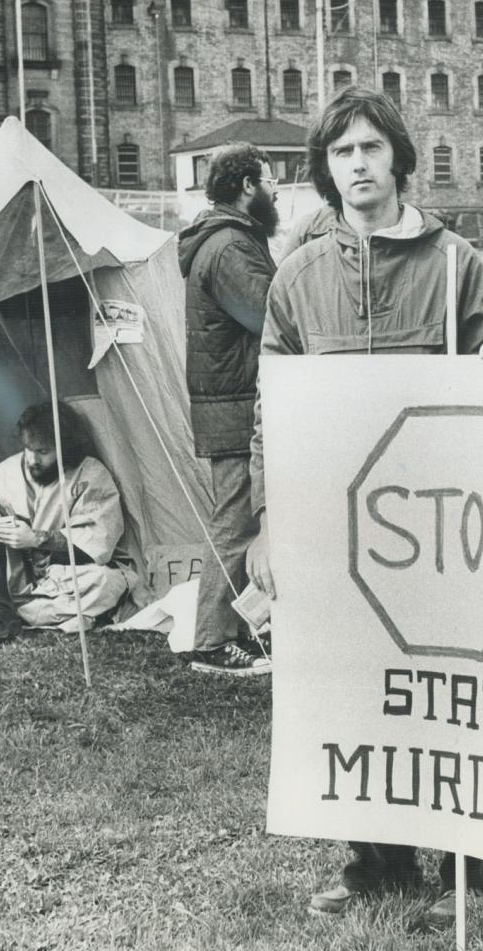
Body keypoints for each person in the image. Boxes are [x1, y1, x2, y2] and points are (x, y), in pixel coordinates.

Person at [244, 86, 483, 927]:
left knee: (451, 689)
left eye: (371, 148)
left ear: (398, 157)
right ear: (324, 171)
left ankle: (476, 876)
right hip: (340, 534)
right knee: (358, 693)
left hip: (439, 530)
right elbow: (271, 408)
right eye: (341, 153)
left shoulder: (452, 264)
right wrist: (264, 520)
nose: (358, 164)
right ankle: (379, 865)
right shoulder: (298, 277)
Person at [177, 142, 278, 677]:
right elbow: (272, 317)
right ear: (246, 187)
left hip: (231, 404)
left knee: (237, 519)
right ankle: (213, 640)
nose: (276, 188)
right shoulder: (230, 248)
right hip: (236, 408)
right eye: (270, 178)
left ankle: (236, 632)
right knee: (236, 523)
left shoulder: (223, 241)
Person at [0, 400, 137, 644]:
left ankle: (2, 609)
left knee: (106, 582)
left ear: (65, 448)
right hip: (16, 575)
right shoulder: (15, 466)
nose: (32, 460)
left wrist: (35, 538)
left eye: (43, 452)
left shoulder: (90, 474)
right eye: (28, 449)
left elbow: (97, 538)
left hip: (62, 575)